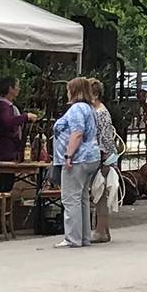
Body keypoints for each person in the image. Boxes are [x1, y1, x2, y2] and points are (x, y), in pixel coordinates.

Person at [51, 77, 110, 248]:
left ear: (74, 91)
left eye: (69, 89)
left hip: (78, 158)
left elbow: (77, 133)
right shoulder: (90, 108)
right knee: (83, 197)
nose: (67, 93)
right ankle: (84, 236)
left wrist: (68, 155)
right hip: (91, 157)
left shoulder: (76, 109)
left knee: (71, 198)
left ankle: (72, 238)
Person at [0, 80, 28, 191]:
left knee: (8, 181)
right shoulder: (2, 106)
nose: (19, 89)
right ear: (10, 88)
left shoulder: (8, 106)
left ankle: (1, 206)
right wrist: (25, 117)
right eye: (17, 86)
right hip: (4, 150)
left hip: (9, 149)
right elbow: (7, 122)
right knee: (2, 182)